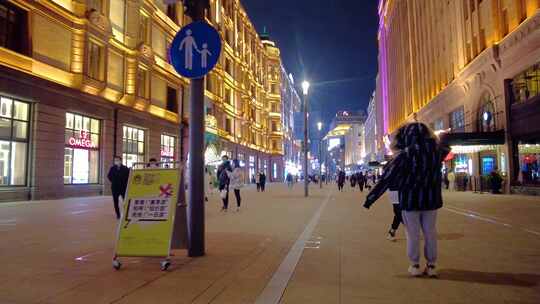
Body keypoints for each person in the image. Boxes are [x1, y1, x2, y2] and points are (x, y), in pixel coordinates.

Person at [363, 122, 450, 278]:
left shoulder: (404, 155)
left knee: (412, 233)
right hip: (431, 200)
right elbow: (445, 146)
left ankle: (415, 265)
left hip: (410, 200)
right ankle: (431, 266)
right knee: (430, 232)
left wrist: (370, 198)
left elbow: (386, 179)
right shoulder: (436, 152)